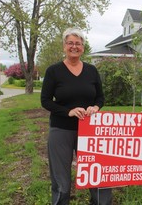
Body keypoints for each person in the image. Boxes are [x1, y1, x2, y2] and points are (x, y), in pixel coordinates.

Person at [41, 27, 112, 205]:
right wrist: (68, 111)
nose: (74, 46)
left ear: (83, 47)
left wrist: (96, 107)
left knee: (96, 175)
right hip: (61, 130)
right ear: (64, 46)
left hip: (90, 131)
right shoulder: (53, 71)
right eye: (70, 43)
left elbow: (100, 97)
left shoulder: (91, 70)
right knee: (61, 180)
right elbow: (45, 100)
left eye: (78, 43)